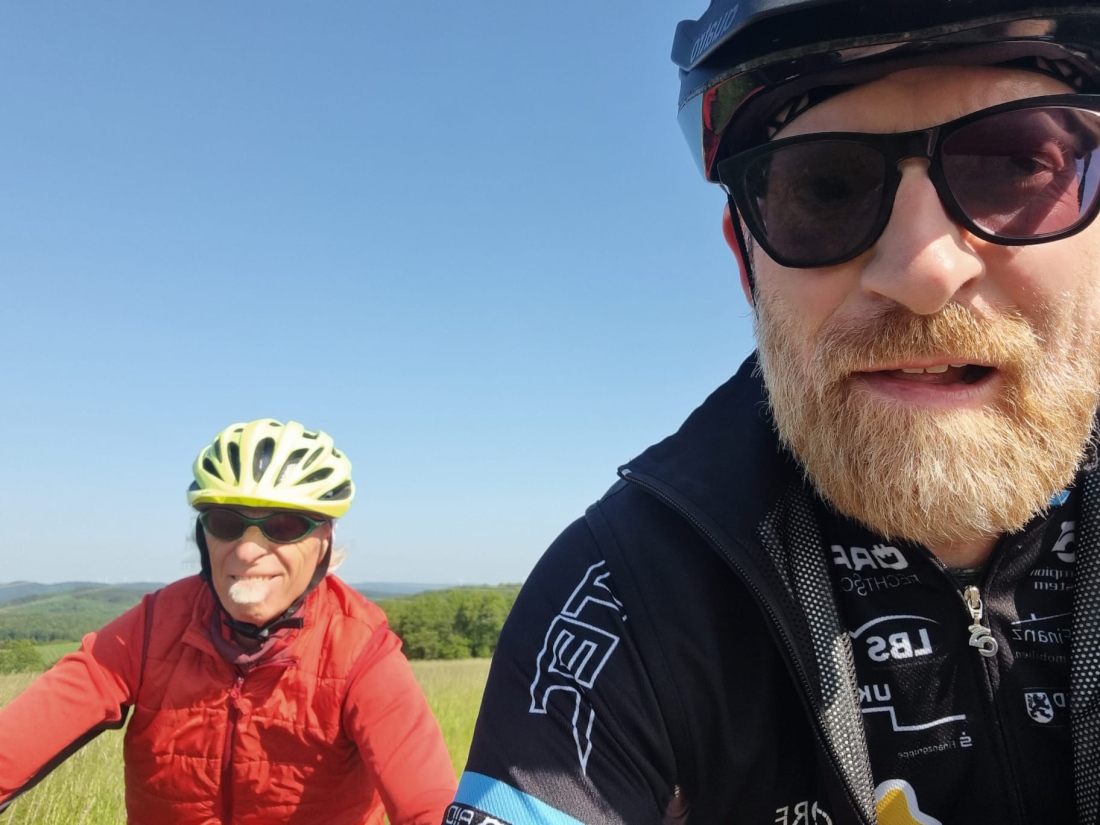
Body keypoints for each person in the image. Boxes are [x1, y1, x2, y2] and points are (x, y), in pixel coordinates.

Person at [444, 2, 1100, 824]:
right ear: (746, 262)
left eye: (1015, 168)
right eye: (824, 187)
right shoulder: (630, 587)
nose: (923, 271)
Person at [0, 418, 457, 824]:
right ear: (204, 537)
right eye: (225, 522)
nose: (247, 550)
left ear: (324, 539)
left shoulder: (360, 648)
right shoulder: (153, 627)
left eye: (282, 526)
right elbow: (20, 737)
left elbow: (429, 803)